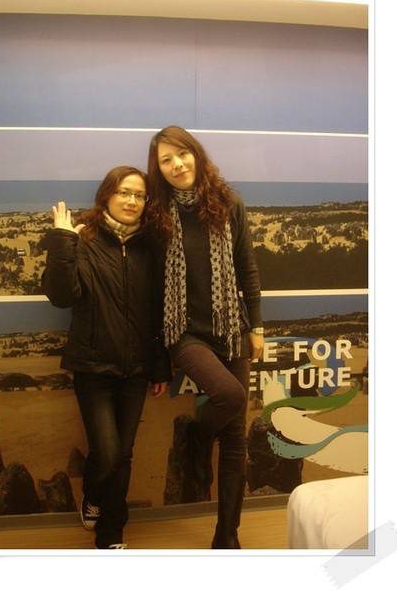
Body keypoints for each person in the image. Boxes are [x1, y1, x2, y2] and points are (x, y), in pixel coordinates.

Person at [145, 126, 265, 549]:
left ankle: (226, 535)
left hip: (230, 328)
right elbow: (151, 285)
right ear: (158, 169)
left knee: (235, 434)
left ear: (196, 154)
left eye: (182, 154)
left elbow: (247, 267)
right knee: (230, 397)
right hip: (183, 330)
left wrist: (256, 326)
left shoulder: (228, 203)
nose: (177, 164)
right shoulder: (156, 215)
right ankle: (198, 439)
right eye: (166, 160)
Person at [41, 166, 170, 550]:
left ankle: (111, 534)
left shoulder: (149, 246)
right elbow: (61, 296)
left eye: (140, 195)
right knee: (109, 452)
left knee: (123, 454)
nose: (132, 201)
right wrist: (63, 241)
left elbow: (157, 312)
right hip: (93, 367)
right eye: (124, 192)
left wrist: (160, 365)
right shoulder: (84, 239)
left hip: (136, 369)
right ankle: (93, 496)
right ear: (107, 196)